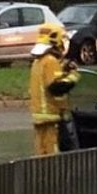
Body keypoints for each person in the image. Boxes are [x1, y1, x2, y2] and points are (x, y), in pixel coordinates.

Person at [26, 22, 79, 156]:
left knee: (41, 152)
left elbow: (47, 81)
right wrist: (73, 76)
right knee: (53, 154)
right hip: (51, 116)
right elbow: (56, 88)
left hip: (40, 116)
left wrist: (63, 70)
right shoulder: (51, 61)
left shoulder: (38, 61)